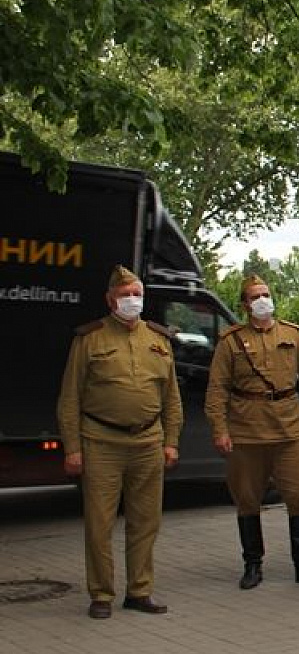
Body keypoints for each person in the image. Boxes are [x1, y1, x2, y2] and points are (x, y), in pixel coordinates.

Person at [57, 265, 181, 619]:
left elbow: (171, 398)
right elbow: (70, 398)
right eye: (125, 295)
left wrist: (171, 441)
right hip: (101, 442)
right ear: (110, 300)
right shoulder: (89, 339)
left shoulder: (158, 339)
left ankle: (139, 591)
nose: (132, 300)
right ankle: (101, 594)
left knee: (146, 522)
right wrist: (73, 448)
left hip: (148, 441)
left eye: (137, 294)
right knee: (99, 523)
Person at [204, 275, 299, 590]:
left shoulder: (292, 334)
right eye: (255, 296)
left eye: (266, 293)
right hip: (247, 432)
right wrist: (219, 429)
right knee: (248, 498)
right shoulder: (230, 341)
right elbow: (217, 390)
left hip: (290, 429)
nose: (262, 300)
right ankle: (253, 564)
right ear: (245, 305)